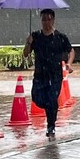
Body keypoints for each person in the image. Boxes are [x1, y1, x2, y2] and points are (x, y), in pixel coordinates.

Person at [23, 9, 74, 138]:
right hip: (40, 75)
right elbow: (25, 54)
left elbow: (71, 51)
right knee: (37, 98)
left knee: (52, 100)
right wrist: (28, 43)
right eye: (43, 19)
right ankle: (50, 109)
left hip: (55, 75)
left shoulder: (60, 37)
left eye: (48, 19)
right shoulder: (36, 36)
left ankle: (51, 126)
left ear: (53, 20)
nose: (46, 22)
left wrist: (69, 64)